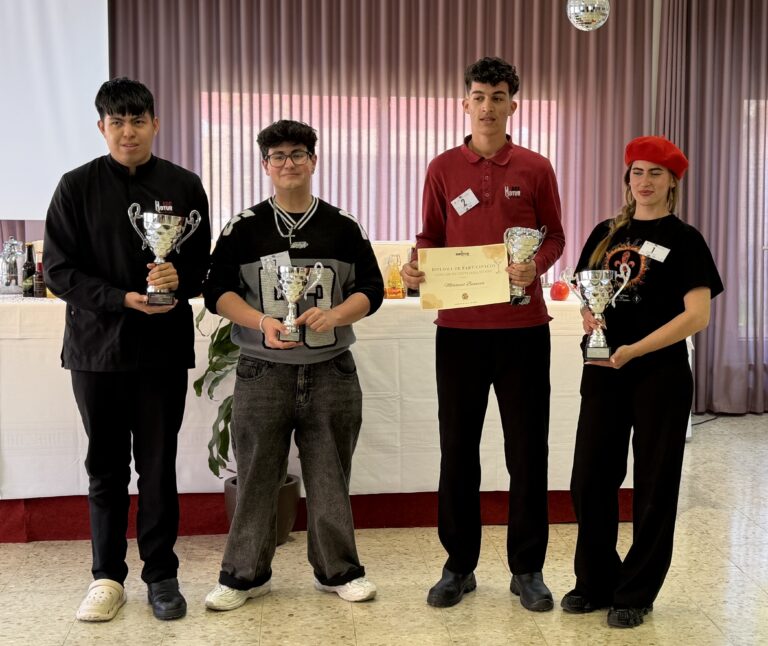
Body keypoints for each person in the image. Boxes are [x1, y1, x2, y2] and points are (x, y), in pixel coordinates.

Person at [43, 78, 211, 622]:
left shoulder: (184, 185)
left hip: (162, 350)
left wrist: (179, 277)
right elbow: (59, 271)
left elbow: (202, 267)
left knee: (158, 467)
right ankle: (107, 577)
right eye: (117, 122)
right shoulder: (75, 187)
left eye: (138, 121)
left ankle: (161, 575)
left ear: (155, 124)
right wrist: (120, 298)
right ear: (102, 127)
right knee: (106, 467)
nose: (128, 131)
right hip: (96, 351)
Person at [401, 57, 565, 610]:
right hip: (459, 331)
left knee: (527, 452)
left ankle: (528, 568)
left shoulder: (536, 167)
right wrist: (416, 267)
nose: (488, 106)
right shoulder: (443, 167)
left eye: (498, 96)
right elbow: (430, 236)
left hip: (523, 329)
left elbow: (555, 236)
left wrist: (534, 265)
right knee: (458, 451)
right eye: (479, 96)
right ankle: (458, 565)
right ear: (465, 103)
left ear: (513, 104)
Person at [202, 119, 383, 610]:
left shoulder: (343, 226)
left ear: (313, 161)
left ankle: (337, 571)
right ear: (265, 165)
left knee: (330, 475)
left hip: (330, 368)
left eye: (298, 154)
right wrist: (261, 321)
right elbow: (216, 291)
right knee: (257, 475)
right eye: (278, 156)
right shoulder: (244, 227)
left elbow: (372, 289)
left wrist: (336, 315)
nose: (288, 163)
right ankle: (244, 576)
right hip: (263, 369)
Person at [561, 136, 723, 628]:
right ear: (627, 177)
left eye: (656, 172)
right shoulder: (606, 233)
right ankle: (595, 580)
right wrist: (590, 318)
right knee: (590, 480)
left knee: (654, 485)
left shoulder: (686, 239)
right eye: (637, 171)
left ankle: (636, 591)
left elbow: (697, 316)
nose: (644, 181)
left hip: (659, 374)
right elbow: (587, 293)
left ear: (673, 181)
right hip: (603, 371)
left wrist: (636, 349)